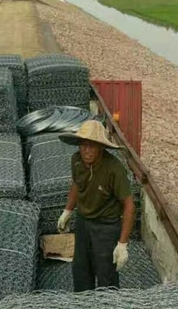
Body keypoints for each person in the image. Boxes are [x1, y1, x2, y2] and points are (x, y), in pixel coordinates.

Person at [57, 120, 135, 292]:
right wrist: (67, 210)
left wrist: (122, 244)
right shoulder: (76, 160)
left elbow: (129, 205)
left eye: (92, 146)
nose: (86, 150)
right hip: (84, 222)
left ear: (100, 147)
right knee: (81, 270)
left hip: (106, 227)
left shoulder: (114, 169)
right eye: (83, 145)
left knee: (106, 274)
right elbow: (77, 184)